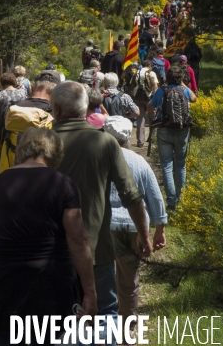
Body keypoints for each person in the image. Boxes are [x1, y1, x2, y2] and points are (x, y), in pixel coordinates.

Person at [0, 127, 97, 346]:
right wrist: (90, 293)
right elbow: (78, 239)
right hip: (50, 285)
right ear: (55, 153)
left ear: (22, 151)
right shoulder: (64, 184)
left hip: (2, 284)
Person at [52, 82, 153, 344]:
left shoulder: (41, 142)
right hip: (97, 248)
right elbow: (131, 194)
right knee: (105, 313)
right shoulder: (106, 142)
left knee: (54, 319)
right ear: (86, 107)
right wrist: (144, 234)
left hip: (51, 250)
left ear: (56, 109)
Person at [106, 116, 167, 321]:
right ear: (127, 138)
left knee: (102, 278)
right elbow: (155, 197)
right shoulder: (139, 162)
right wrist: (159, 229)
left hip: (104, 226)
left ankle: (103, 326)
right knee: (129, 282)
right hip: (133, 227)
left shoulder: (98, 159)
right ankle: (128, 326)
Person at [0, 77, 57, 176]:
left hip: (10, 177)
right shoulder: (54, 114)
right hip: (40, 179)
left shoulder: (10, 111)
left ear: (31, 90)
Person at [148, 66, 197, 209]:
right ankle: (181, 198)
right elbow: (194, 98)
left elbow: (150, 107)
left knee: (167, 165)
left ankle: (171, 201)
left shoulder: (162, 90)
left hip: (164, 130)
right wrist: (182, 84)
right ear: (181, 78)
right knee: (181, 164)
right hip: (182, 130)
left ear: (167, 77)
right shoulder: (184, 91)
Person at [0, 73, 26, 143]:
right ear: (14, 82)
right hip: (19, 126)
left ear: (2, 83)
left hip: (3, 127)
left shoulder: (0, 95)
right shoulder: (22, 94)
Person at [132, 61, 158, 148]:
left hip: (138, 97)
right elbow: (155, 86)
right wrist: (156, 98)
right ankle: (152, 138)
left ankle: (140, 141)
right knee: (152, 118)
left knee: (140, 118)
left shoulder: (137, 72)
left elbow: (132, 84)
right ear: (149, 66)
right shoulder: (151, 73)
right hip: (149, 97)